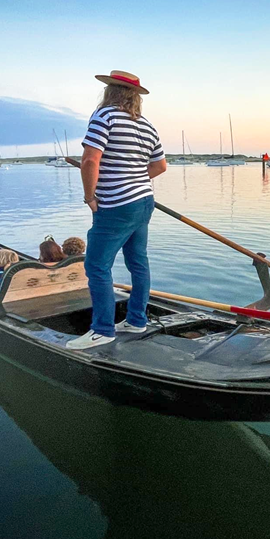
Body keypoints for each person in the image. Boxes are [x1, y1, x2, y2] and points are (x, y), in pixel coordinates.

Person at [67, 70, 167, 350]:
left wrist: (90, 197)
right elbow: (160, 166)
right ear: (136, 97)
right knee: (138, 262)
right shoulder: (147, 125)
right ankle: (136, 320)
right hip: (144, 202)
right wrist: (134, 178)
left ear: (110, 92)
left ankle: (102, 330)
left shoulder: (104, 117)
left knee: (96, 265)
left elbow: (89, 161)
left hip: (116, 205)